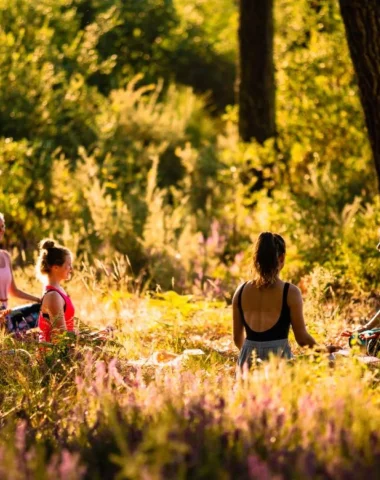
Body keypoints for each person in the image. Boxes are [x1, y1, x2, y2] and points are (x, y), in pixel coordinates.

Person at [233, 232, 317, 367]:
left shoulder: (240, 291)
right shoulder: (290, 293)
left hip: (247, 362)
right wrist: (323, 351)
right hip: (279, 361)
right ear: (281, 258)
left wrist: (252, 355)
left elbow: (237, 339)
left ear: (256, 259)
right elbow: (302, 338)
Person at [0, 212, 40, 316]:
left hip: (5, 315)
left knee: (40, 309)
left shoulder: (6, 256)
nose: (1, 230)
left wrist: (38, 299)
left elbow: (13, 291)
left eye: (2, 226)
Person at [36, 239, 75, 343]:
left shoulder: (59, 290)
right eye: (68, 264)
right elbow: (61, 335)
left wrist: (97, 334)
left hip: (66, 349)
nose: (71, 269)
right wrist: (90, 337)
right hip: (54, 355)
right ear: (56, 267)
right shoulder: (53, 296)